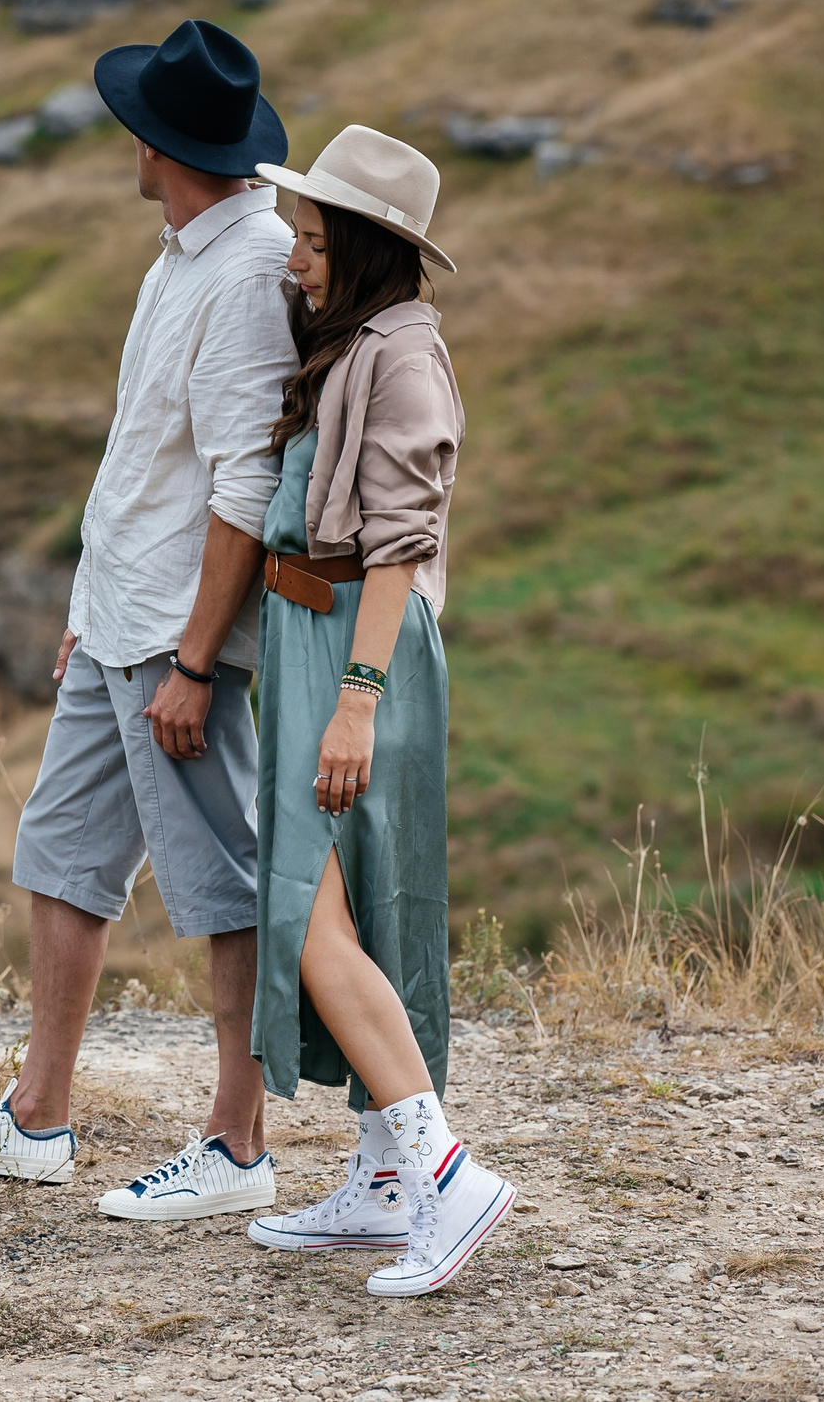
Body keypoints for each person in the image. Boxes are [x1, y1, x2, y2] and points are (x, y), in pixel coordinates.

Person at [0, 19, 297, 1222]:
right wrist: (85, 604)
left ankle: (237, 1145)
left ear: (153, 144)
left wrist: (194, 660)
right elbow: (140, 459)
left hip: (176, 641)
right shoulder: (182, 254)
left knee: (217, 884)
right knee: (62, 856)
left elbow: (241, 488)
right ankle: (35, 1118)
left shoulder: (244, 274)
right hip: (117, 618)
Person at [235, 125, 512, 1297]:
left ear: (356, 246)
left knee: (307, 914)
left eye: (307, 240)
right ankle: (383, 1184)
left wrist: (355, 702)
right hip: (310, 635)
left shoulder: (404, 358)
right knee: (340, 912)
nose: (291, 258)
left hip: (360, 647)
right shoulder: (349, 337)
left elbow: (401, 544)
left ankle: (443, 1172)